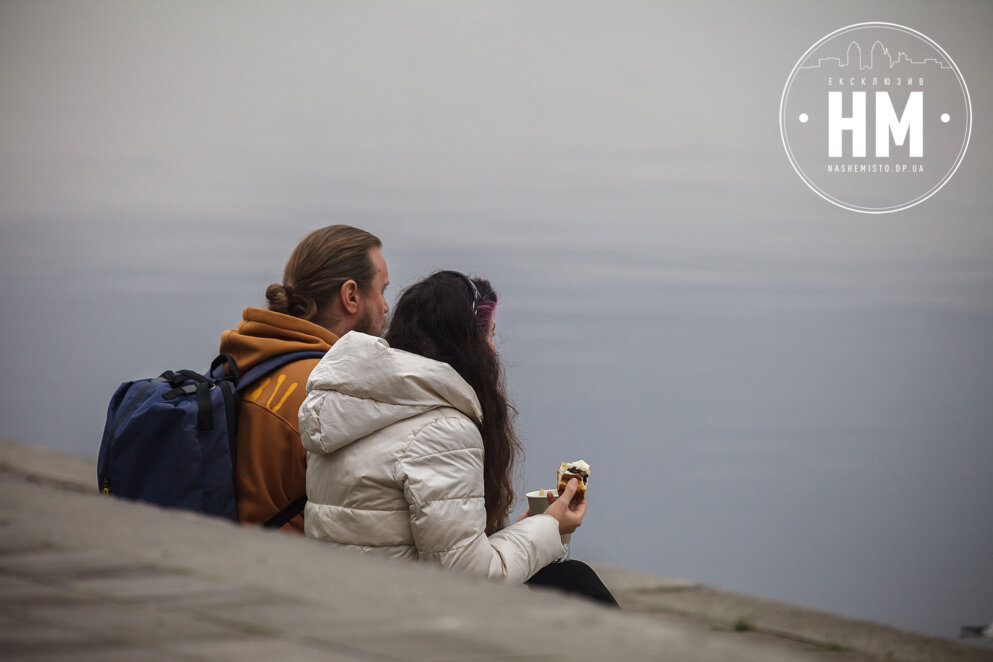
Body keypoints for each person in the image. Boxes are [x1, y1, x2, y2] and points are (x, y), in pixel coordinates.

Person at [300, 271, 617, 605]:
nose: (495, 352)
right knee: (579, 584)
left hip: (346, 605)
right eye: (491, 336)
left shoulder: (352, 411)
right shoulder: (443, 431)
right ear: (468, 346)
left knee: (565, 577)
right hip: (401, 621)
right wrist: (551, 527)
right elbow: (469, 580)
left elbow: (418, 546)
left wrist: (527, 529)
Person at [218, 224, 389, 533]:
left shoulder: (245, 361)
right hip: (285, 572)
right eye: (382, 291)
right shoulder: (327, 391)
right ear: (351, 295)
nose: (386, 307)